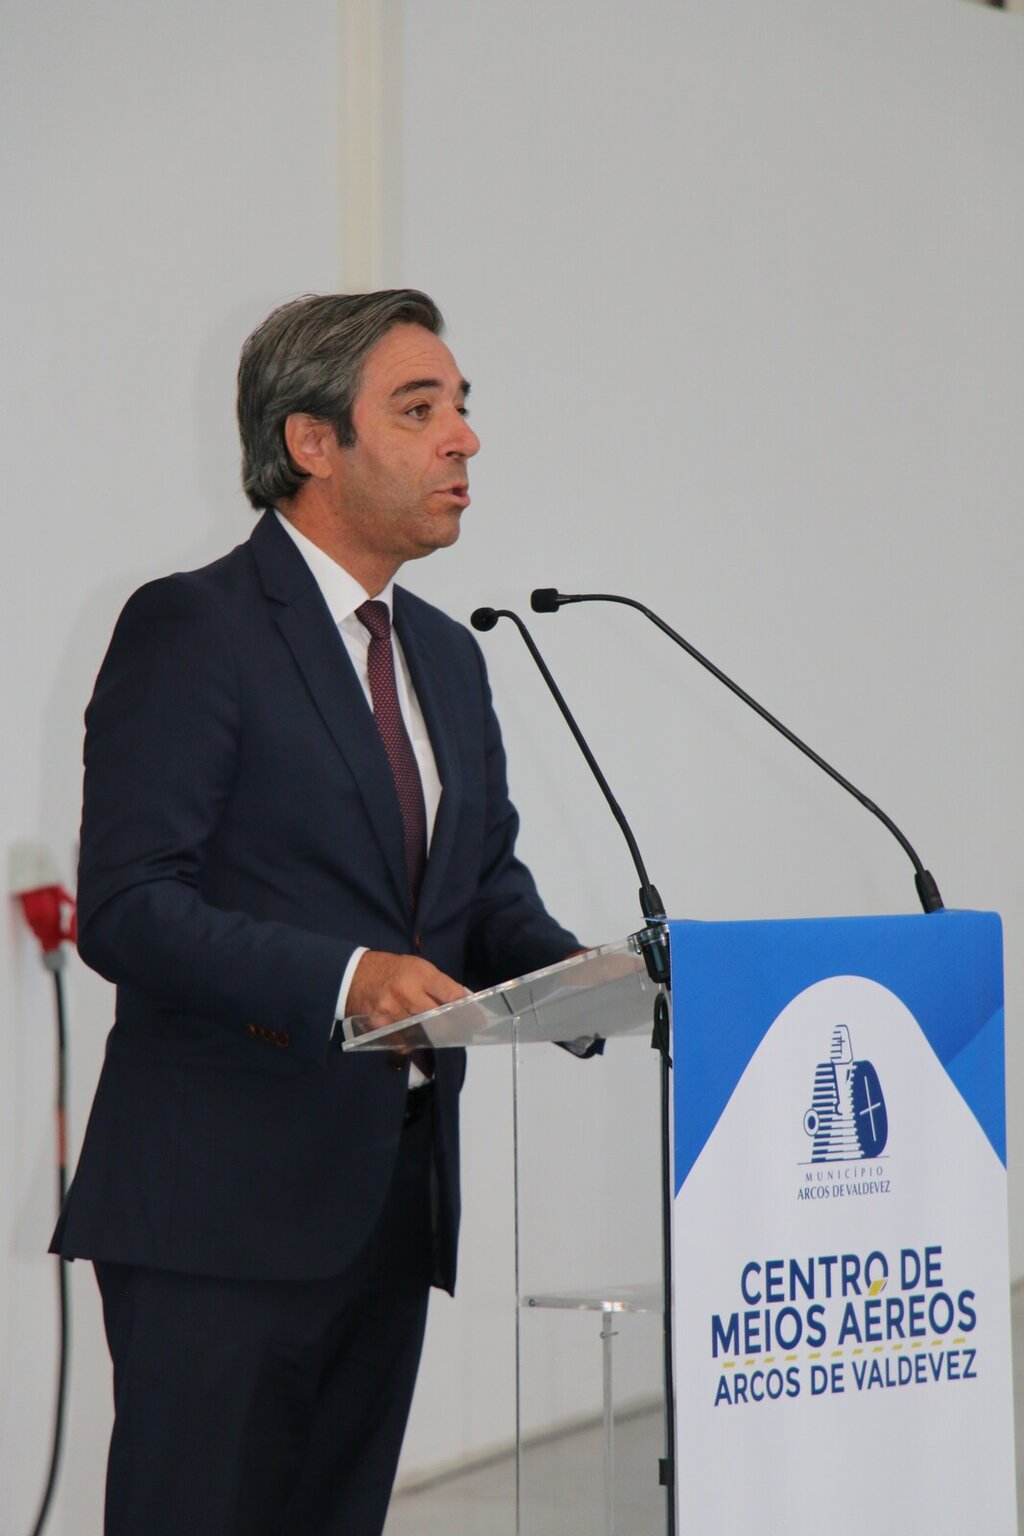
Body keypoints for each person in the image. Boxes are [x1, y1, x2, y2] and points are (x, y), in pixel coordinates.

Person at [52, 290, 581, 1536]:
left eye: (461, 407)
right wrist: (349, 975)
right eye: (418, 409)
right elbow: (129, 908)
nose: (463, 438)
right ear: (311, 442)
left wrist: (589, 977)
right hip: (219, 1213)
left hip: (392, 1196)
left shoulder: (446, 653)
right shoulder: (196, 628)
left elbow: (478, 888)